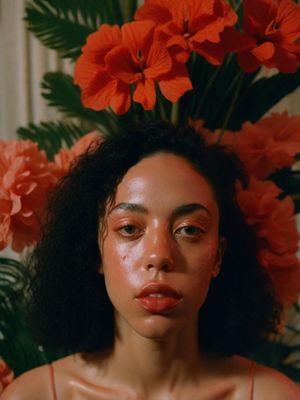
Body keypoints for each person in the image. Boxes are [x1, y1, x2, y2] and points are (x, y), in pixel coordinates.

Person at [2, 119, 300, 399]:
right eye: (130, 228)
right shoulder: (34, 395)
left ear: (218, 257)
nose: (159, 255)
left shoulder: (272, 395)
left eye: (188, 230)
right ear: (96, 252)